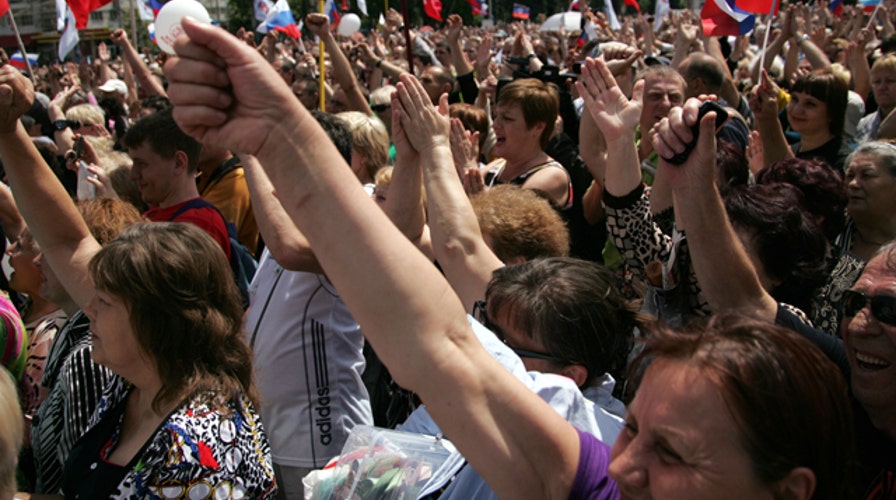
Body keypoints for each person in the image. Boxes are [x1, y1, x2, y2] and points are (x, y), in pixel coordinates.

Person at [162, 24, 857, 498]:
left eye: (672, 454)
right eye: (636, 431)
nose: (626, 465)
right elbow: (439, 341)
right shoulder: (593, 485)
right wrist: (279, 131)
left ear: (789, 490)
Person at [0, 65, 276, 498]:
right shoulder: (145, 381)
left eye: (105, 302)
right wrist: (8, 131)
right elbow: (67, 239)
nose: (89, 307)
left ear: (157, 319)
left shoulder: (196, 449)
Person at [482, 78, 573, 210]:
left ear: (538, 127)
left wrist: (468, 170)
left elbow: (509, 219)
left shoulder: (552, 175)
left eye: (507, 118)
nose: (495, 125)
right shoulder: (497, 166)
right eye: (496, 116)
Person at [751, 69, 851, 172]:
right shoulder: (792, 149)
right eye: (794, 99)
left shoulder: (841, 162)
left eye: (810, 104)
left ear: (833, 113)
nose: (796, 109)